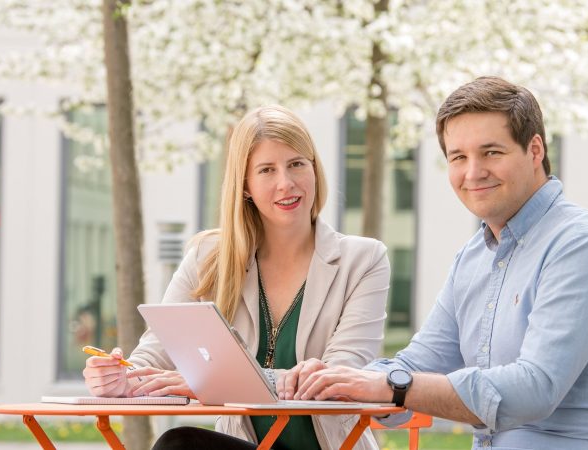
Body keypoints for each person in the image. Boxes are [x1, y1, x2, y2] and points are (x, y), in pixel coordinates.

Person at [282, 77, 588, 449]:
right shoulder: (474, 257)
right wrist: (342, 380)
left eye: (491, 152)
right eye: (458, 157)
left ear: (535, 150)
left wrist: (390, 386)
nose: (472, 172)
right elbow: (419, 363)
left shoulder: (581, 244)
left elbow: (536, 389)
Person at [82, 105, 390, 450]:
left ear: (315, 170)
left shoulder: (363, 260)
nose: (285, 183)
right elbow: (156, 352)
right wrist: (120, 377)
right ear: (245, 186)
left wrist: (214, 382)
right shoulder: (208, 258)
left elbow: (339, 380)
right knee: (178, 444)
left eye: (297, 164)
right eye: (266, 170)